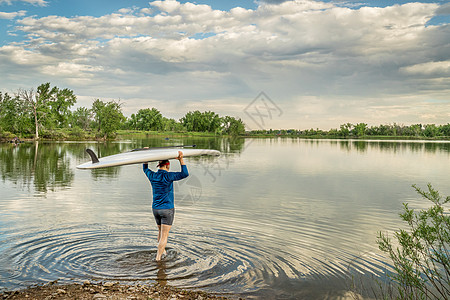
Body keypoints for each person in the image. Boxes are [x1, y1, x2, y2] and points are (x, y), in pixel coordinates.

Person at [143, 151, 189, 261]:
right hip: (167, 209)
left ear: (159, 165)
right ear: (168, 165)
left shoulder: (153, 175)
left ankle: (163, 253)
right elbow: (185, 174)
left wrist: (145, 156)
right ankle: (158, 258)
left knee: (160, 232)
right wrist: (181, 159)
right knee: (164, 235)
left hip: (155, 209)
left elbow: (145, 169)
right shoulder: (169, 176)